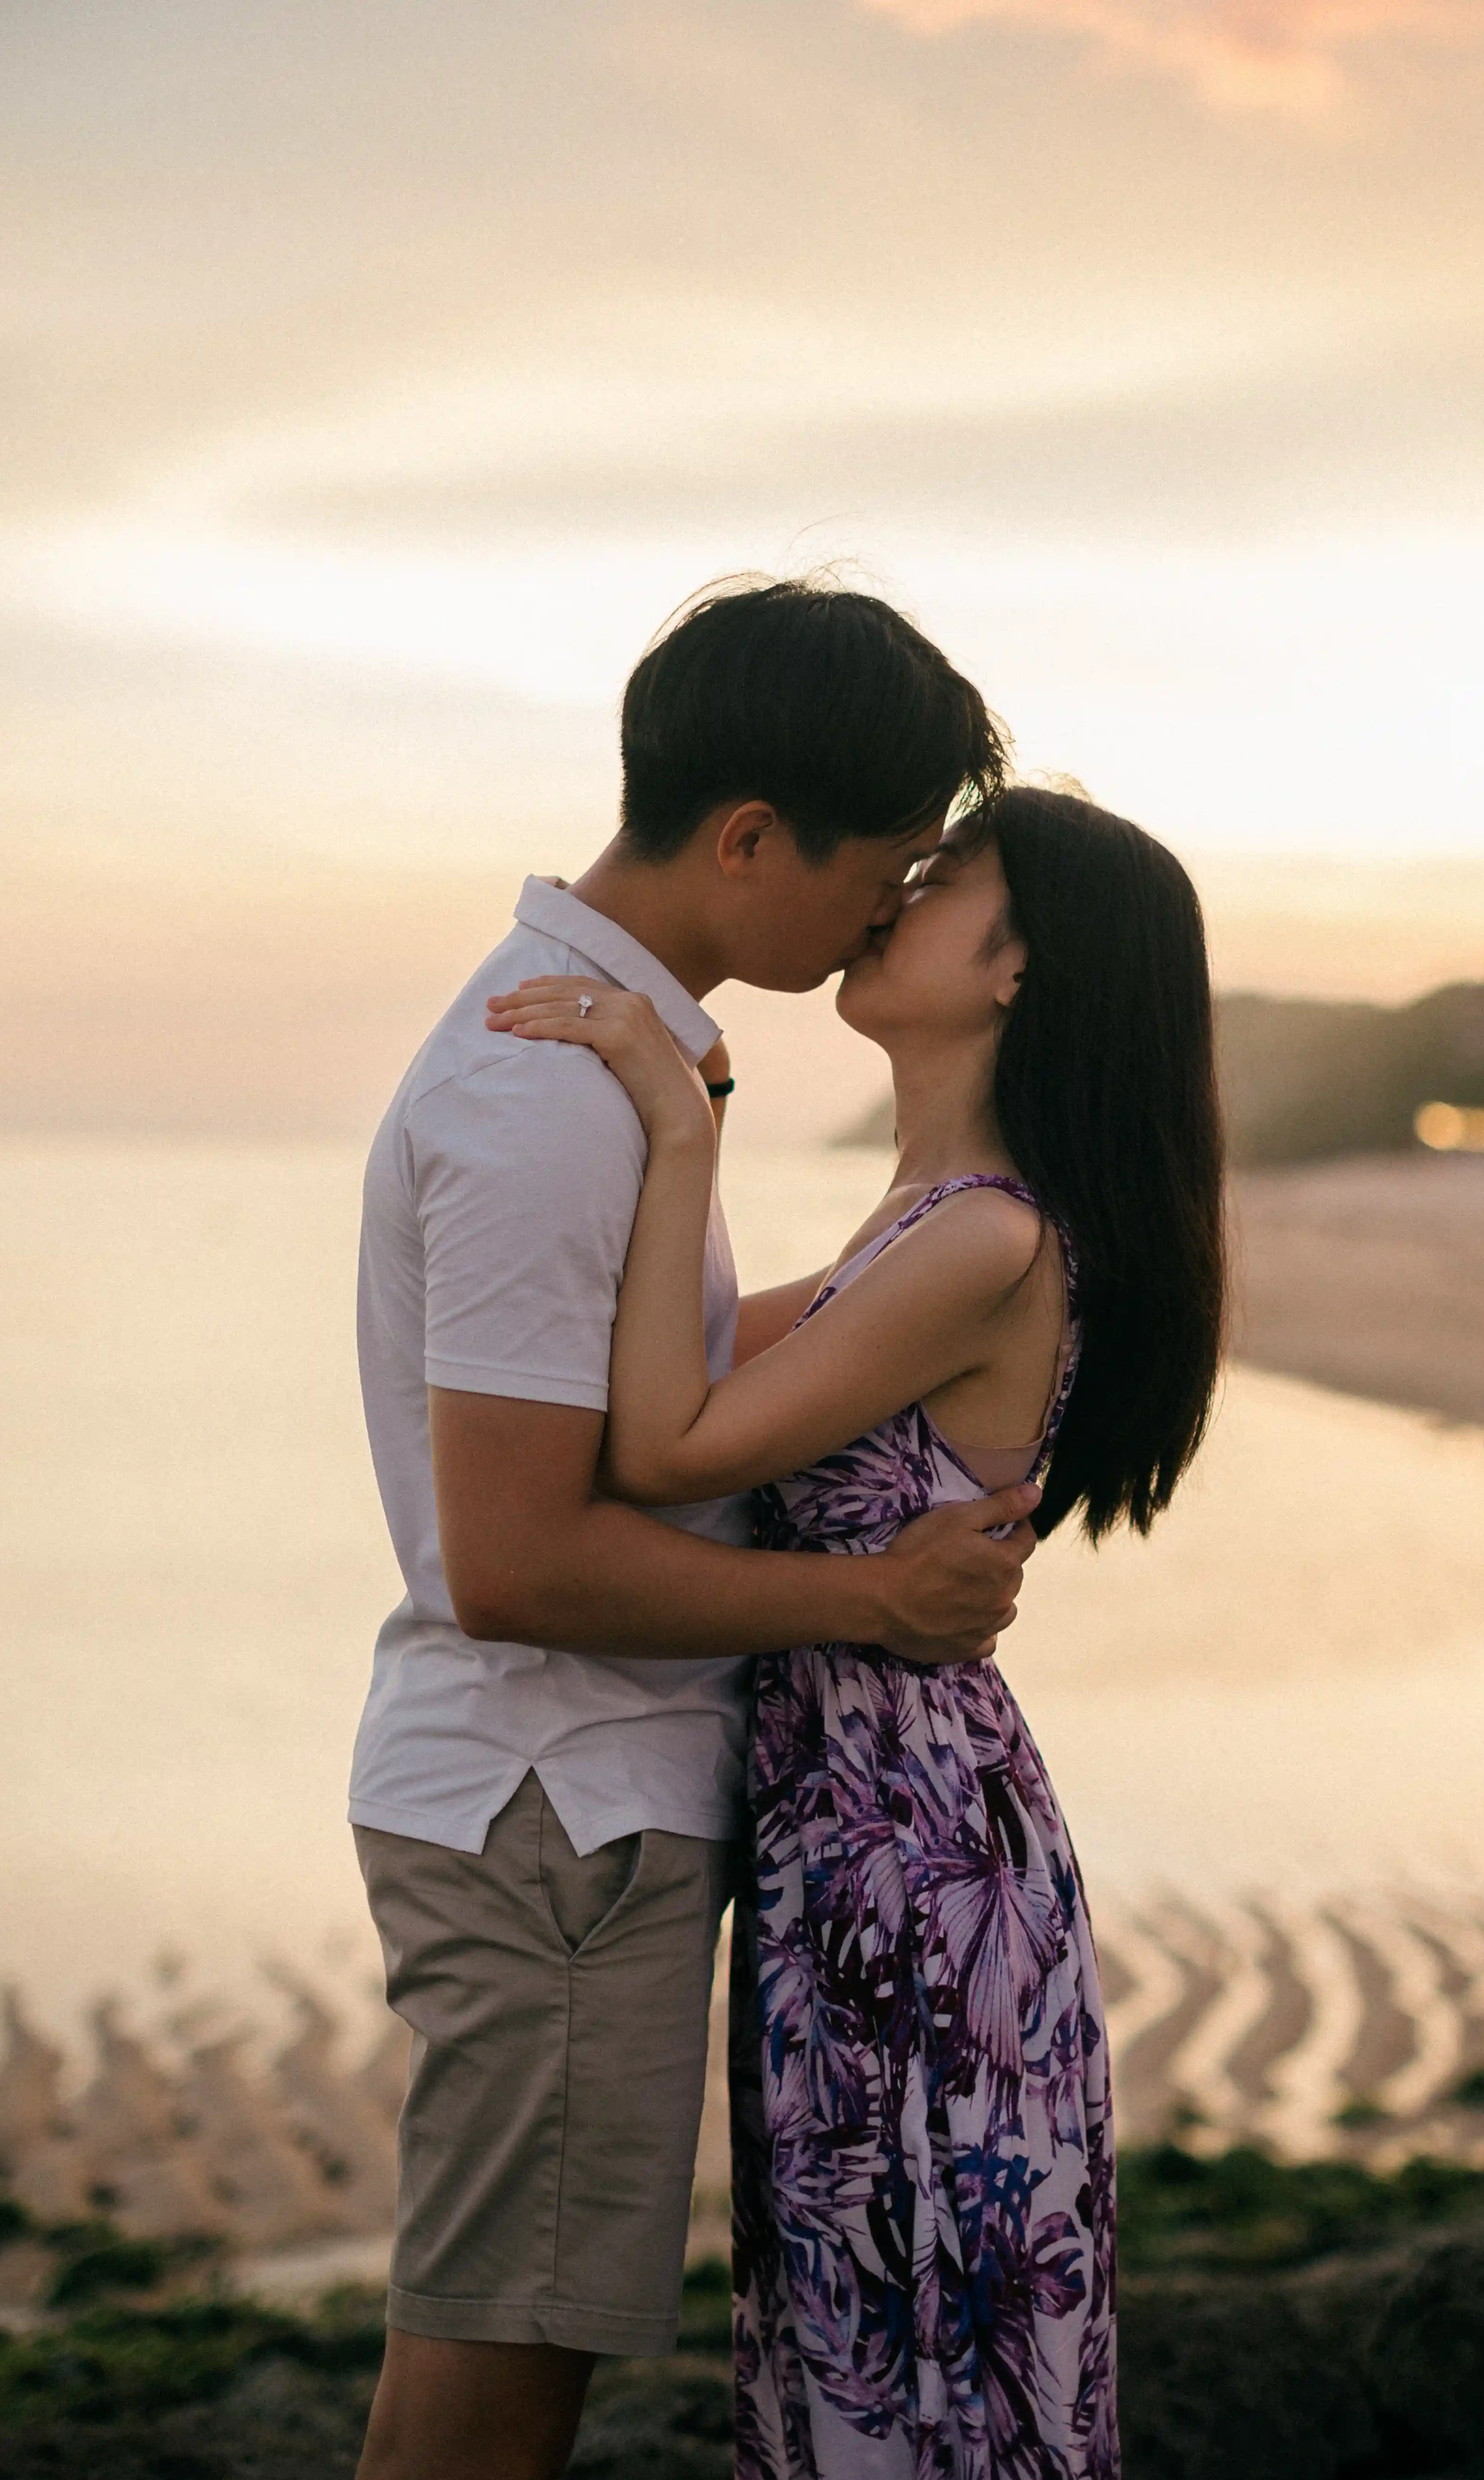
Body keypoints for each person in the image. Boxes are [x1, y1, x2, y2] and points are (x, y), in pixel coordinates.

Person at [348, 580, 1044, 2480]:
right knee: (493, 2396)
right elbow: (516, 1560)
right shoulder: (545, 1098)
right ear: (748, 839)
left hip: (571, 1807)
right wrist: (873, 1596)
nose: (881, 918)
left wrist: (923, 1277)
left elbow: (673, 1376)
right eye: (878, 873)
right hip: (557, 1809)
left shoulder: (617, 1072)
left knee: (504, 2356)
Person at [487, 783, 1229, 2479]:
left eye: (949, 875)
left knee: (917, 2356)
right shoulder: (926, 1225)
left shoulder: (983, 1239)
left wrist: (682, 1134)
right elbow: (660, 1364)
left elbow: (662, 1442)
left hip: (914, 1862)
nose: (899, 891)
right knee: (871, 2346)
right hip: (863, 1844)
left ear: (1020, 966)